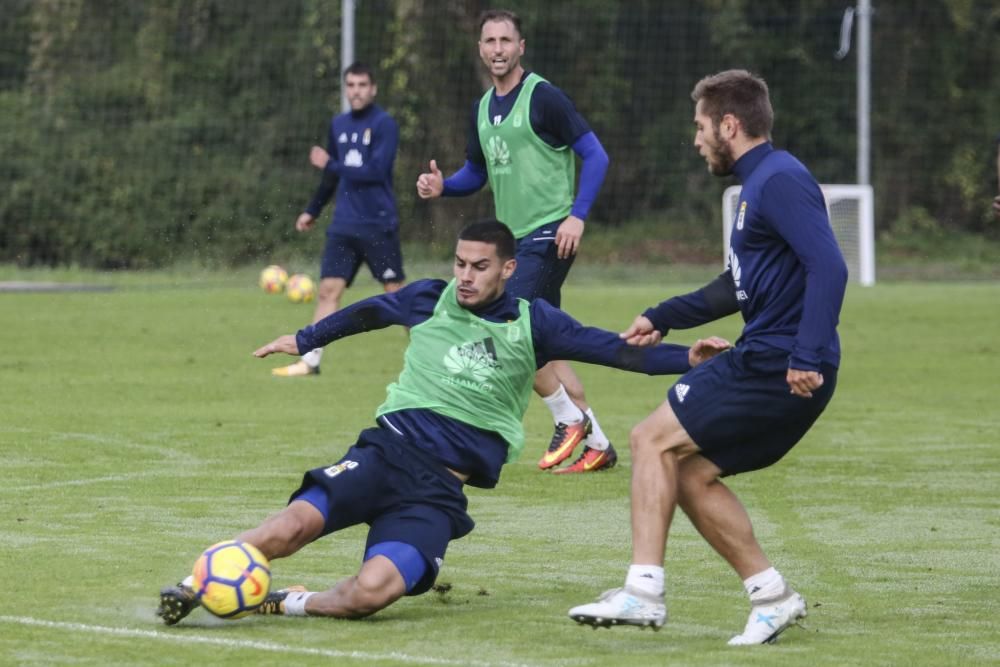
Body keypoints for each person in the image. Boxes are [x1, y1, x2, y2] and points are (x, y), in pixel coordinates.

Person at [157, 220, 730, 625]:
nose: (466, 276)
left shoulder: (537, 324)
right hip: (384, 454)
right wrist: (304, 339)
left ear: (508, 268)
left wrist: (687, 359)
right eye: (460, 263)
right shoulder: (430, 298)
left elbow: (618, 351)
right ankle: (194, 582)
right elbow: (368, 312)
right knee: (287, 530)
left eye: (480, 267)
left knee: (370, 594)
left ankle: (280, 602)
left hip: (436, 494)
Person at [568, 70, 849, 645]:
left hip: (778, 363)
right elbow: (735, 286)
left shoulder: (779, 179)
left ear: (730, 125)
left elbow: (831, 266)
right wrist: (662, 313)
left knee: (650, 439)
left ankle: (643, 593)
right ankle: (771, 596)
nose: (695, 140)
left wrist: (806, 355)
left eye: (700, 127)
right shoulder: (757, 185)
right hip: (775, 358)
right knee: (690, 473)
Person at [416, 9, 615, 474]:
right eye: (490, 41)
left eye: (507, 40)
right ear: (481, 49)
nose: (498, 49)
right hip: (514, 243)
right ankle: (598, 442)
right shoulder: (482, 108)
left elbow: (596, 154)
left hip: (550, 233)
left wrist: (577, 217)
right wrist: (444, 186)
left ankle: (567, 419)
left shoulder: (543, 97)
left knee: (507, 328)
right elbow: (477, 172)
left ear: (521, 46)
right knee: (543, 342)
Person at [273, 62, 406, 377]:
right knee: (327, 291)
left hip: (378, 224)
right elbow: (331, 179)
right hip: (344, 226)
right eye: (351, 85)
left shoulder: (385, 124)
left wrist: (331, 164)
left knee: (397, 295)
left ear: (373, 89)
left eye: (362, 85)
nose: (356, 91)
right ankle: (310, 361)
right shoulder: (339, 124)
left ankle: (432, 360)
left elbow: (375, 172)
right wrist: (313, 210)